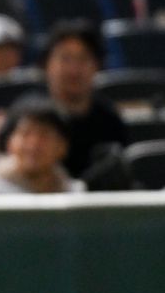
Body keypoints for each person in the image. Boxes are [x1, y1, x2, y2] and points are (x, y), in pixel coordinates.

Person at [42, 19, 127, 180]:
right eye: (65, 58)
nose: (74, 70)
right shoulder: (30, 118)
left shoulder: (109, 121)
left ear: (97, 66)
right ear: (47, 64)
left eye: (83, 59)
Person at [0, 97, 85, 194]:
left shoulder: (75, 193)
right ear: (10, 143)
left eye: (44, 135)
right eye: (25, 134)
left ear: (62, 147)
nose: (33, 145)